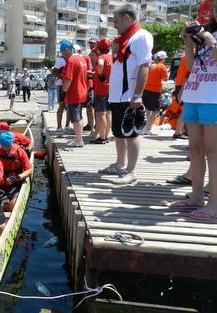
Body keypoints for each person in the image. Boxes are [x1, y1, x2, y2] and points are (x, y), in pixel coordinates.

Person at [169, 8, 217, 221]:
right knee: (196, 150)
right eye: (216, 8)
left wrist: (211, 42)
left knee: (213, 152)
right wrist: (188, 42)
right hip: (195, 94)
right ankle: (196, 196)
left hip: (214, 99)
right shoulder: (208, 32)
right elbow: (191, 65)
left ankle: (215, 203)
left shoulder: (210, 37)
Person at [98, 4, 153, 185]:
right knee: (119, 133)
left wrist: (137, 94)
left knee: (132, 134)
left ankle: (131, 171)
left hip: (129, 95)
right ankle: (119, 165)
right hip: (117, 96)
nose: (115, 25)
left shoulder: (141, 36)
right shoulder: (124, 40)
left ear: (127, 18)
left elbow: (144, 66)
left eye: (116, 21)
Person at [60, 40, 88, 147]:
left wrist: (64, 91)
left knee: (75, 118)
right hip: (82, 91)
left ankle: (79, 140)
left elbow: (68, 79)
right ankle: (78, 138)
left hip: (74, 93)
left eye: (62, 52)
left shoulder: (71, 60)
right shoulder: (81, 58)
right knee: (79, 116)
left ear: (66, 50)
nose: (62, 55)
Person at [0, 131, 32, 206]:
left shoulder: (20, 152)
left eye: (8, 145)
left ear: (12, 142)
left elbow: (29, 170)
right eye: (4, 146)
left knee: (12, 204)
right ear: (0, 144)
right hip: (1, 183)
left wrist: (17, 178)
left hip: (16, 183)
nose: (6, 148)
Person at [91, 39, 113, 144]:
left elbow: (100, 63)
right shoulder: (112, 58)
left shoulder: (101, 58)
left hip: (101, 89)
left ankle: (102, 138)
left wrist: (99, 75)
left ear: (99, 49)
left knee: (101, 114)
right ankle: (107, 136)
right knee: (108, 114)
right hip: (110, 89)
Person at [143, 51, 168, 135]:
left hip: (146, 89)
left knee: (147, 110)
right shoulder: (162, 66)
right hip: (155, 91)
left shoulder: (150, 65)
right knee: (155, 111)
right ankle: (148, 129)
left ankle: (144, 127)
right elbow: (165, 79)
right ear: (162, 59)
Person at [75, 44, 95, 134]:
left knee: (89, 107)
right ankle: (79, 130)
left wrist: (81, 71)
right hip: (78, 86)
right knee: (77, 108)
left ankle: (92, 129)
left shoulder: (86, 58)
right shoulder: (72, 59)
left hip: (88, 85)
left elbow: (90, 71)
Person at [52, 56, 70, 131]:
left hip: (69, 84)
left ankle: (67, 125)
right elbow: (54, 71)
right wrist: (63, 78)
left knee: (69, 105)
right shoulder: (60, 59)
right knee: (61, 105)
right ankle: (59, 126)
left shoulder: (72, 58)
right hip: (61, 85)